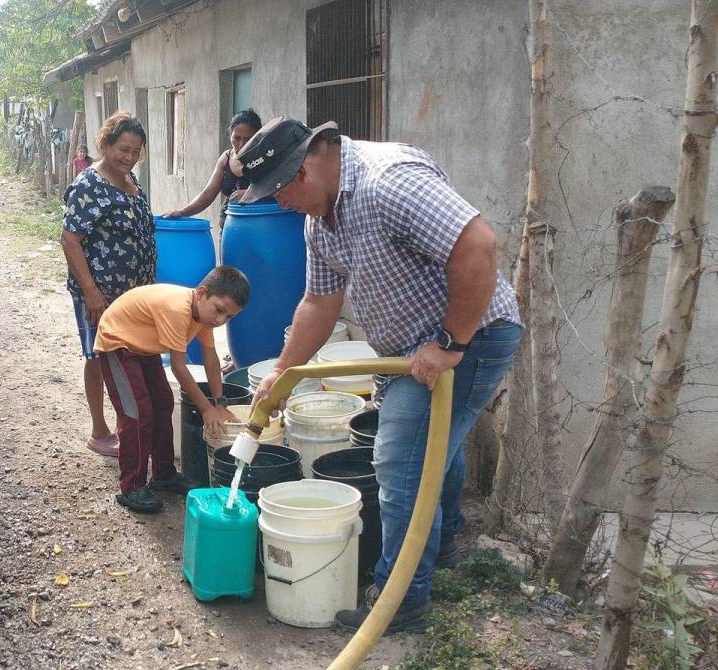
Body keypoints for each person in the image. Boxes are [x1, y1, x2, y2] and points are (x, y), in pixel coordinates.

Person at [241, 117, 522, 633]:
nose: (278, 204)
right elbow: (319, 302)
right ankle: (445, 548)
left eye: (278, 191)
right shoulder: (319, 219)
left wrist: (450, 343)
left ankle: (401, 603)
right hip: (415, 349)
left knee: (399, 464)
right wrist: (283, 373)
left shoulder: (388, 182)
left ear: (303, 169)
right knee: (440, 443)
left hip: (472, 337)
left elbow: (478, 245)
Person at [95, 267, 248, 512]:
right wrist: (206, 408)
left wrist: (220, 403)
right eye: (219, 310)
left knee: (164, 403)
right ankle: (131, 486)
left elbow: (211, 357)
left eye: (229, 317)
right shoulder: (177, 309)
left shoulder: (203, 316)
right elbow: (178, 367)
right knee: (138, 412)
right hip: (117, 342)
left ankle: (164, 474)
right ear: (202, 293)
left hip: (144, 349)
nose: (220, 320)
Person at [60, 111, 155, 458]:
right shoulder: (90, 184)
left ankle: (125, 424)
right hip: (100, 292)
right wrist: (91, 292)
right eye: (123, 149)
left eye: (135, 151)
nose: (128, 157)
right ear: (106, 144)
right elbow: (70, 239)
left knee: (125, 356)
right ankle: (99, 429)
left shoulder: (132, 182)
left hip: (133, 294)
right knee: (98, 357)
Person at [162, 108, 262, 225]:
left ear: (257, 138)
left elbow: (279, 188)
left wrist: (252, 193)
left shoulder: (265, 158)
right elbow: (208, 195)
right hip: (230, 227)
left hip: (260, 226)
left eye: (247, 139)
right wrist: (183, 212)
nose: (241, 144)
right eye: (237, 138)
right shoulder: (225, 159)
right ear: (230, 135)